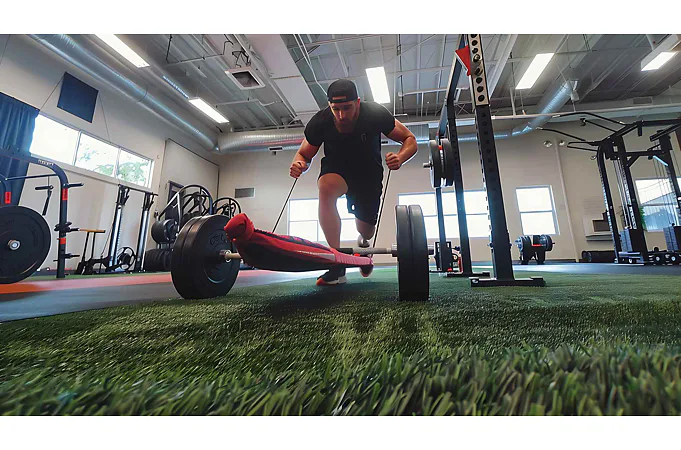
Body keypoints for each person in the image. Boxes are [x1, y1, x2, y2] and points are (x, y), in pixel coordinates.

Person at [289, 79, 417, 286]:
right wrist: (299, 164)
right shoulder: (321, 121)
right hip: (336, 169)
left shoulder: (374, 114)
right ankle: (336, 263)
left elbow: (410, 139)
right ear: (329, 106)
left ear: (357, 102)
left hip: (368, 175)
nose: (341, 115)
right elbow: (304, 154)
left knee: (366, 230)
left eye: (347, 108)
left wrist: (400, 158)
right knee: (325, 187)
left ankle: (364, 245)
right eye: (336, 109)